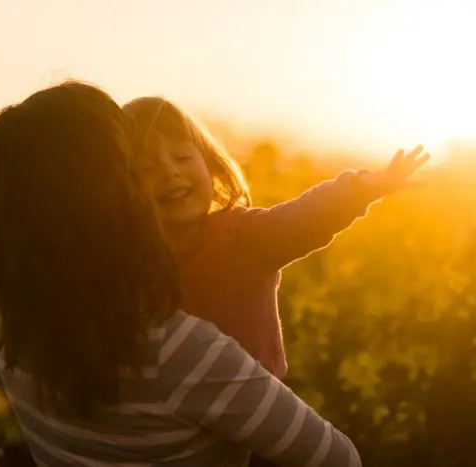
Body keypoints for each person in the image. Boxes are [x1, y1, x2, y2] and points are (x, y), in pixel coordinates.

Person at [0, 81, 362, 466]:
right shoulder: (184, 352)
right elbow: (338, 459)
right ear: (118, 201)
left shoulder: (7, 321)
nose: (163, 176)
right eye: (135, 170)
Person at [122, 96, 428, 467]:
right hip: (183, 420)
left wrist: (363, 187)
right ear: (126, 190)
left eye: (183, 158)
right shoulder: (134, 259)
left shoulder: (243, 236)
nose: (170, 172)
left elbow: (304, 216)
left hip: (260, 418)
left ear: (211, 165)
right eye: (147, 168)